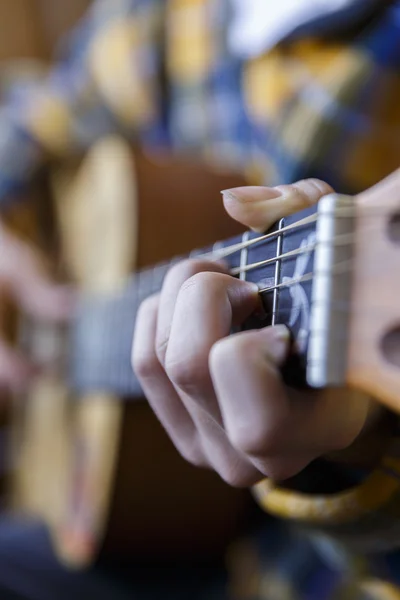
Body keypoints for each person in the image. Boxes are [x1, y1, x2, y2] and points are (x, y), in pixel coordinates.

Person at [0, 0, 398, 598]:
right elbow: (29, 116)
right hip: (144, 518)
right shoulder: (161, 20)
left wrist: (360, 444)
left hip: (311, 568)